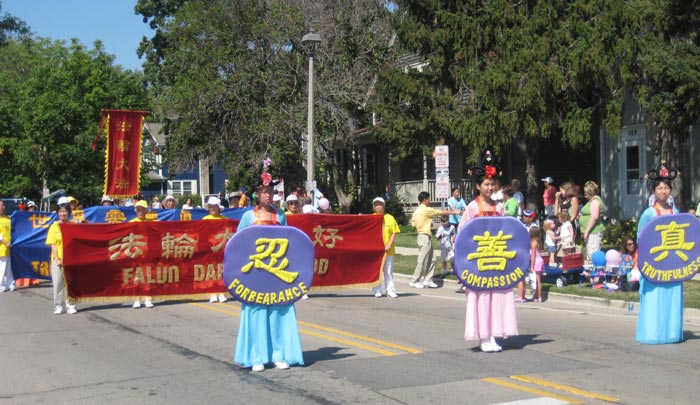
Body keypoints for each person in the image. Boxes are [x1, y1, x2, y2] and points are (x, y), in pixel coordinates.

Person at [234, 159, 303, 372]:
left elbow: (288, 242)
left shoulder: (280, 215)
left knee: (278, 311)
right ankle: (257, 356)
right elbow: (239, 245)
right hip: (255, 272)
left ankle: (279, 354)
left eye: (270, 191)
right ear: (257, 194)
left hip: (276, 271)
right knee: (256, 311)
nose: (268, 195)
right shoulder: (248, 216)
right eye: (264, 191)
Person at [458, 150, 518, 352]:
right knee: (482, 297)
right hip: (479, 260)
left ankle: (493, 334)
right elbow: (462, 235)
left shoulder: (499, 207)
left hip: (497, 257)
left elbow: (507, 230)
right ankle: (483, 337)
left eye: (492, 184)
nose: (490, 188)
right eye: (486, 184)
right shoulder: (471, 208)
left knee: (497, 295)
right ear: (478, 186)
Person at [636, 168, 682, 344]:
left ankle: (671, 333)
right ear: (654, 191)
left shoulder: (675, 212)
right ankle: (652, 333)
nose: (663, 191)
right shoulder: (649, 213)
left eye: (666, 188)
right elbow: (640, 237)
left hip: (672, 262)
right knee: (654, 297)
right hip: (654, 262)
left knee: (671, 294)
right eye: (660, 188)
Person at [409, 191, 457, 289]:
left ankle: (428, 280)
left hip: (424, 236)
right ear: (425, 200)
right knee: (422, 260)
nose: (429, 201)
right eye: (429, 199)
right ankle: (414, 281)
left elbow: (413, 223)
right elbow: (441, 212)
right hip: (424, 237)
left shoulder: (416, 211)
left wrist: (425, 223)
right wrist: (455, 212)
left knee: (432, 259)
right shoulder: (425, 209)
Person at [45, 203, 77, 314]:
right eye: (60, 212)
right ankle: (59, 305)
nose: (63, 214)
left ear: (69, 213)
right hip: (57, 258)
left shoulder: (72, 225)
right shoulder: (54, 226)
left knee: (70, 282)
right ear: (58, 213)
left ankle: (71, 304)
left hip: (70, 258)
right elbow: (53, 244)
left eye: (65, 211)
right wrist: (57, 259)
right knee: (58, 282)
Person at [128, 200, 156, 308]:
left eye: (142, 209)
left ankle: (148, 298)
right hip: (135, 254)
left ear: (146, 211)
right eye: (138, 209)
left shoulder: (151, 223)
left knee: (148, 276)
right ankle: (137, 299)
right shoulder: (131, 223)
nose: (140, 212)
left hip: (147, 254)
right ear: (136, 211)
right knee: (136, 276)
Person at [372, 197, 400, 298]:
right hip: (376, 251)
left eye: (380, 204)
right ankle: (377, 290)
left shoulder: (390, 218)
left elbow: (394, 232)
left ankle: (390, 290)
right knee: (377, 271)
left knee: (388, 271)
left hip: (388, 250)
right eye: (376, 205)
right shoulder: (371, 218)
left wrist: (389, 245)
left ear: (384, 206)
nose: (378, 206)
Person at [203, 196, 228, 303]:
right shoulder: (205, 219)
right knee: (211, 271)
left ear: (218, 207)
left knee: (222, 270)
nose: (212, 208)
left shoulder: (225, 219)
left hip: (222, 249)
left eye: (214, 206)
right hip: (210, 249)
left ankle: (221, 292)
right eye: (210, 206)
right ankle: (212, 293)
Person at [580, 181, 605, 264]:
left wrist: (586, 231)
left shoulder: (595, 201)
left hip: (594, 231)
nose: (584, 193)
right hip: (591, 232)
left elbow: (594, 217)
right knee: (590, 253)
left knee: (593, 255)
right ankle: (592, 270)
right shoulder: (591, 201)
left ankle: (595, 271)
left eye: (586, 191)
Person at [0, 200, 14, 292]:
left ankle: (10, 284)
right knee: (2, 267)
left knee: (9, 267)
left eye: (3, 205)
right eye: (1, 205)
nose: (3, 207)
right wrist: (5, 242)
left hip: (9, 247)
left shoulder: (8, 219)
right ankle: (1, 285)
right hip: (2, 247)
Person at [528, 226, 544, 302]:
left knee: (537, 280)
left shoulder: (533, 243)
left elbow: (533, 255)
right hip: (540, 260)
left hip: (536, 261)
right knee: (538, 279)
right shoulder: (539, 241)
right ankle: (536, 296)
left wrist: (532, 266)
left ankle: (539, 297)